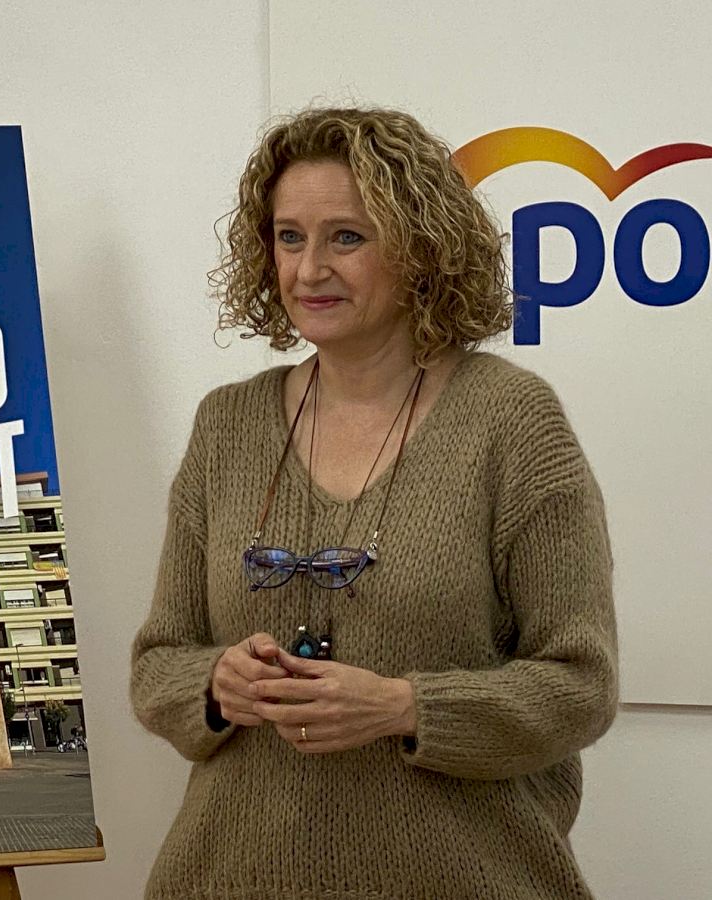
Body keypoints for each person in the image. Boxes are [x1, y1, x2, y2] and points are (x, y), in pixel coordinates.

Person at [130, 107, 618, 899]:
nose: (309, 270)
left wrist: (403, 707)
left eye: (346, 238)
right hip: (230, 878)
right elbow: (158, 663)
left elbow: (581, 685)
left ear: (422, 250)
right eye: (290, 237)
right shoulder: (227, 425)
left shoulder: (512, 422)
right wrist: (216, 684)